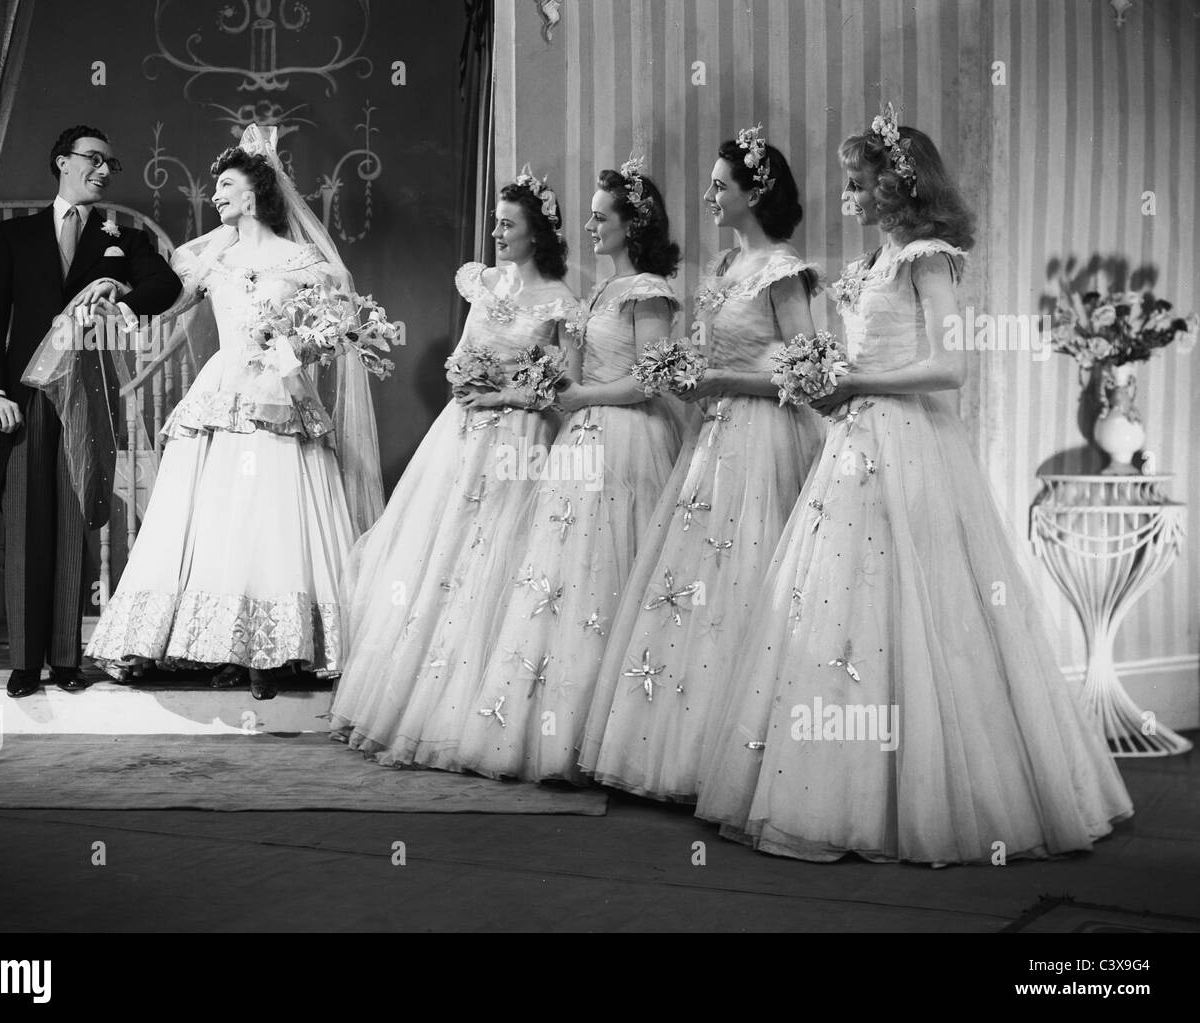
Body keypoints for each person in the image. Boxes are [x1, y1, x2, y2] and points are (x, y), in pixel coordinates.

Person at [694, 108, 1133, 864]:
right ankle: (843, 785)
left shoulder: (926, 256)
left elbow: (950, 368)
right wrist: (826, 376)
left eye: (859, 184)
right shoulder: (868, 265)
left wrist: (854, 379)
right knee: (837, 606)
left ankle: (939, 794)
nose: (850, 197)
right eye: (849, 184)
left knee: (925, 612)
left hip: (910, 444)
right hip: (854, 442)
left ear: (899, 184)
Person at [65, 124, 383, 700]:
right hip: (224, 391)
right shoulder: (212, 258)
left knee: (274, 517)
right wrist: (115, 282)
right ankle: (222, 645)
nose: (216, 195)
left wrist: (299, 347)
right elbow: (163, 299)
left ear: (256, 194)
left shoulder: (303, 259)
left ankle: (277, 648)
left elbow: (340, 326)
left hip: (282, 393)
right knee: (220, 516)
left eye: (227, 185)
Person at [580, 129, 824, 801]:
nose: (711, 195)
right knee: (693, 583)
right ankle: (682, 751)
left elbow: (806, 375)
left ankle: (746, 761)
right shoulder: (722, 269)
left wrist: (722, 382)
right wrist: (690, 377)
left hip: (767, 440)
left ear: (755, 193)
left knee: (749, 575)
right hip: (713, 438)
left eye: (721, 185)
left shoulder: (782, 270)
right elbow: (715, 358)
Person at [448, 161, 686, 783]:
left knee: (610, 572)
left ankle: (618, 736)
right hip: (580, 438)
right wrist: (531, 391)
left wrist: (582, 397)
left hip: (629, 439)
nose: (590, 225)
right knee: (562, 579)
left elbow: (653, 379)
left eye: (601, 215)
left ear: (632, 224)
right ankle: (555, 730)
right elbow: (569, 378)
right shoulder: (599, 294)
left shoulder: (647, 291)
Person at [329, 171, 579, 761]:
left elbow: (564, 382)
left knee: (498, 556)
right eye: (495, 221)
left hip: (521, 436)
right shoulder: (484, 282)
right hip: (464, 430)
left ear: (536, 234)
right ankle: (408, 695)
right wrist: (466, 375)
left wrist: (508, 393)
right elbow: (466, 351)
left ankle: (480, 709)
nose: (495, 232)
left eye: (508, 224)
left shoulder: (559, 301)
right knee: (439, 552)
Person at [0, 124, 181, 698]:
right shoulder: (12, 236)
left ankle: (66, 658)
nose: (105, 171)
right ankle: (23, 662)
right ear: (62, 161)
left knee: (71, 522)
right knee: (24, 525)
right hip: (25, 395)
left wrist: (118, 289)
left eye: (112, 164)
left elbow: (164, 287)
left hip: (88, 396)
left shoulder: (125, 238)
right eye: (95, 159)